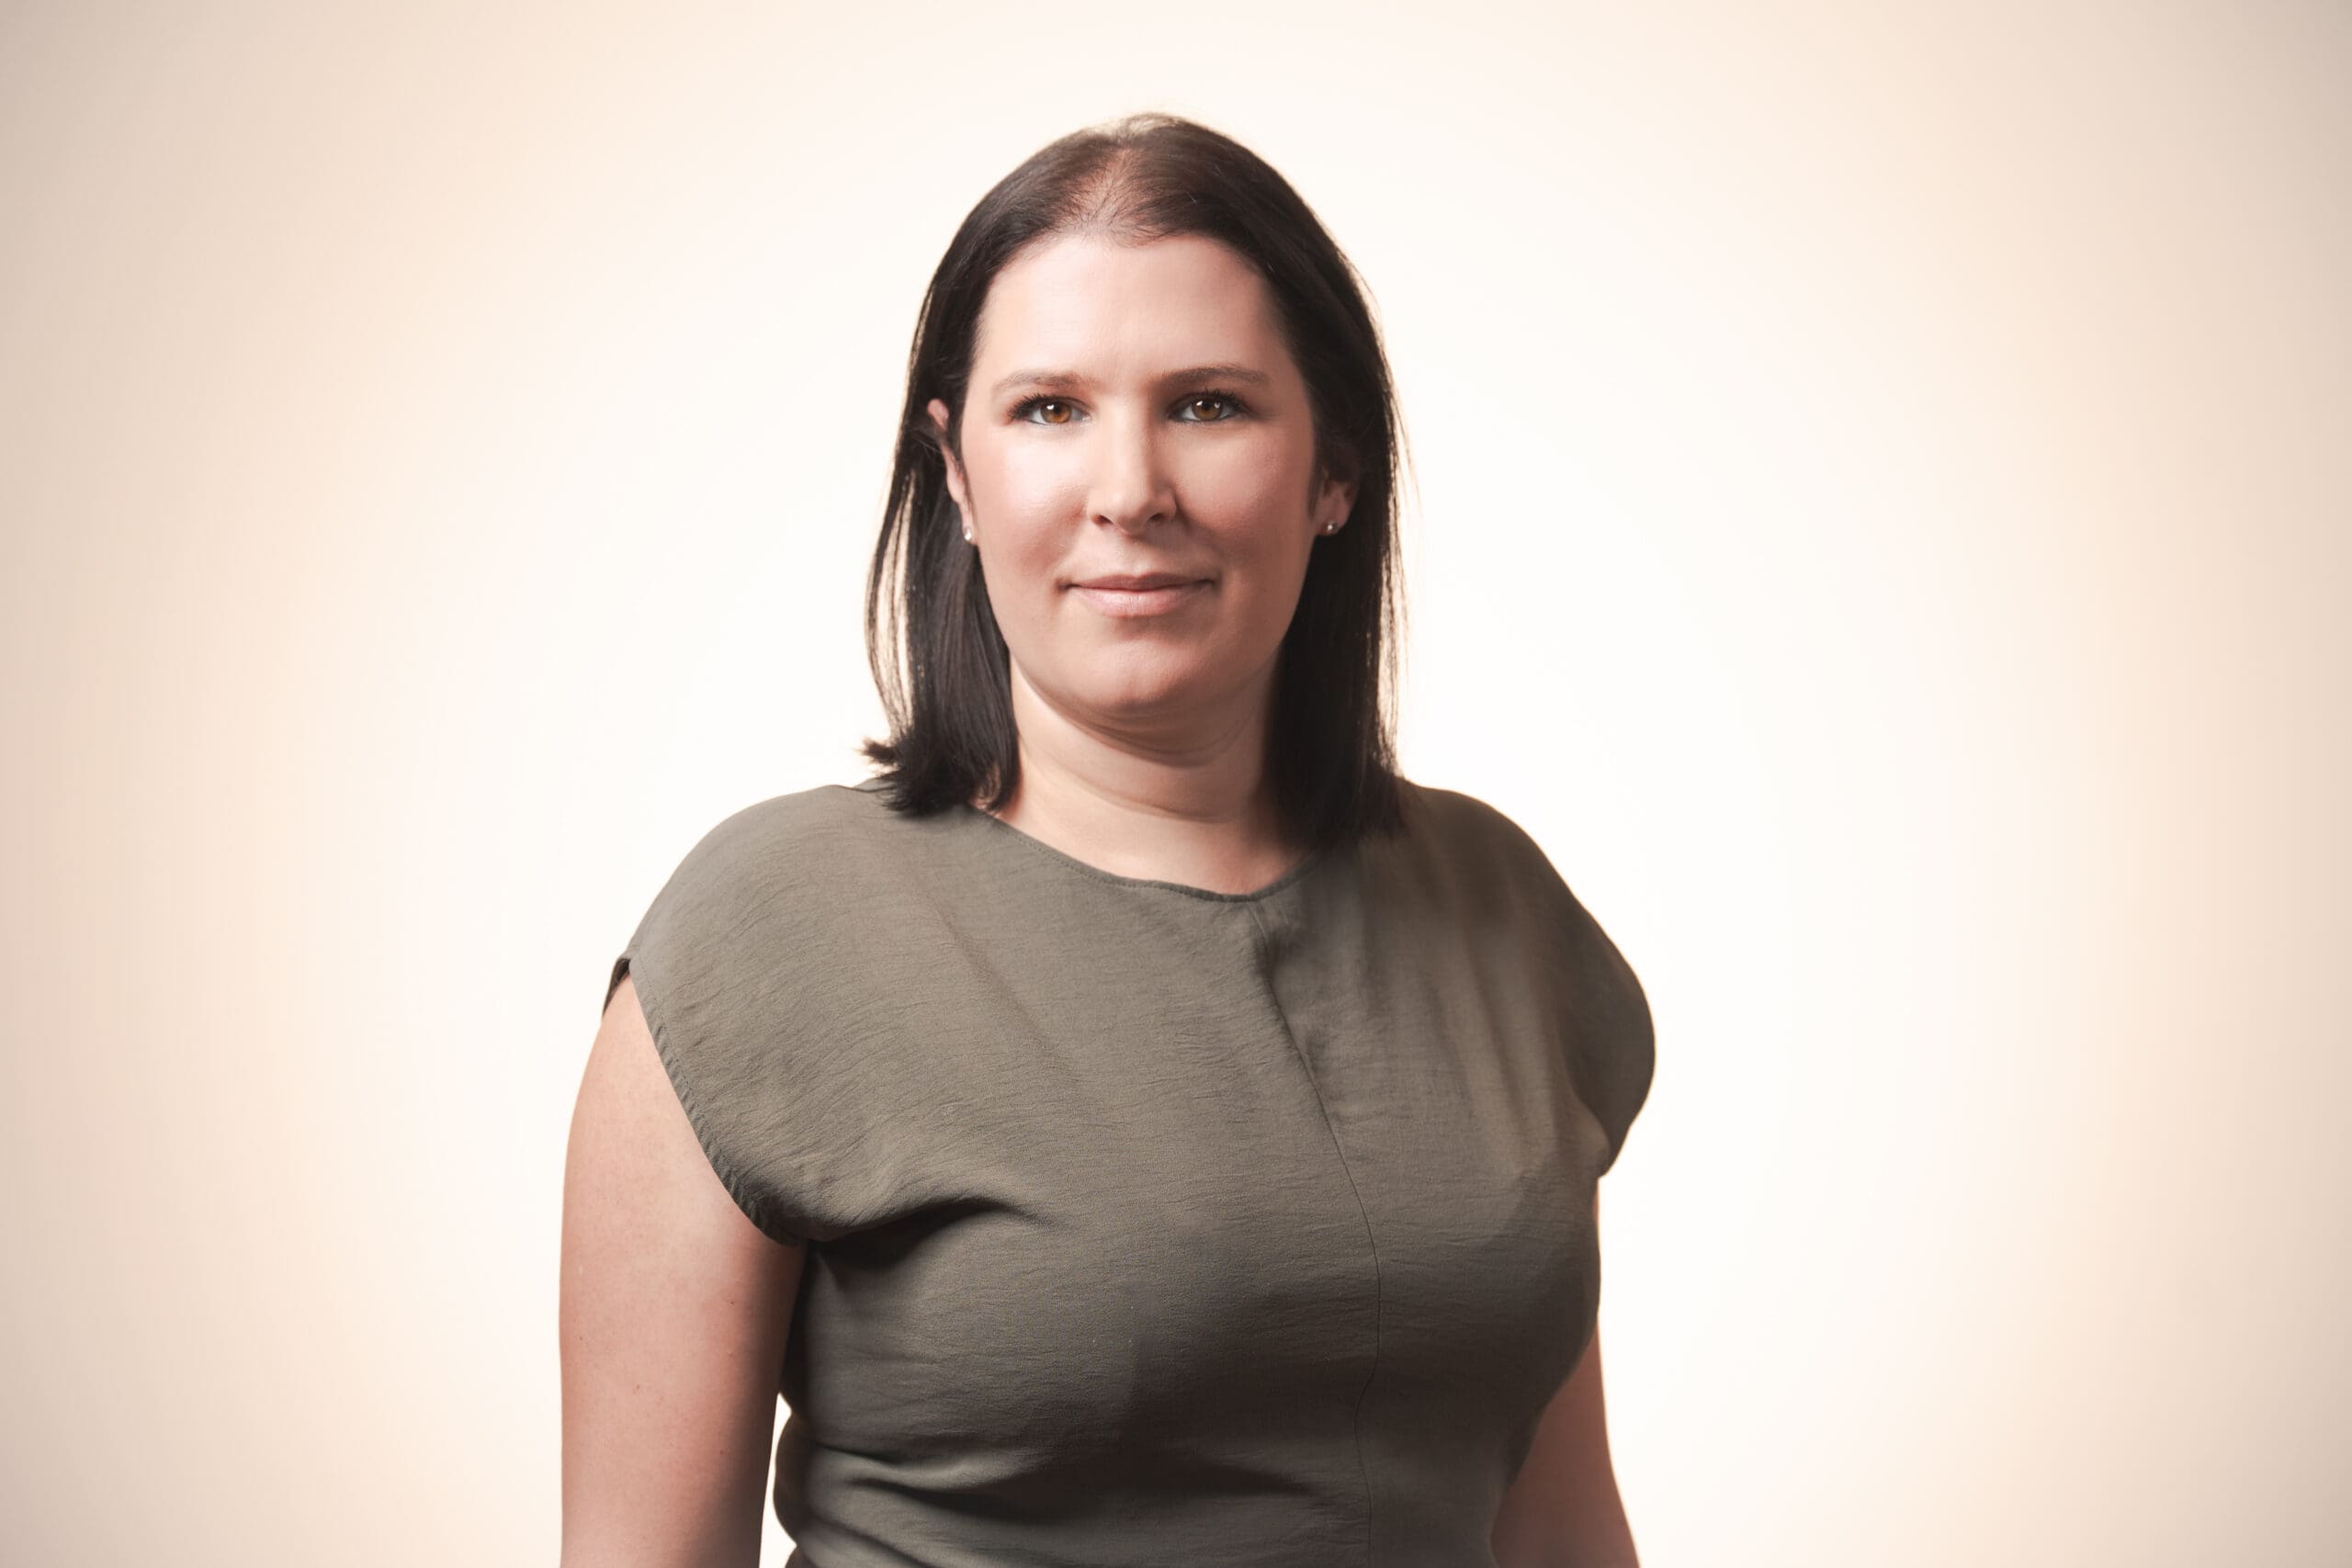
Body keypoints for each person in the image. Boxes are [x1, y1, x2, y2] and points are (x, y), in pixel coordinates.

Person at [560, 111, 1656, 1568]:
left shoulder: (1501, 916)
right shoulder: (762, 941)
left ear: (1335, 469)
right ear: (955, 474)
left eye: (1207, 405)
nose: (1128, 489)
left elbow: (1559, 1528)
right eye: (1048, 409)